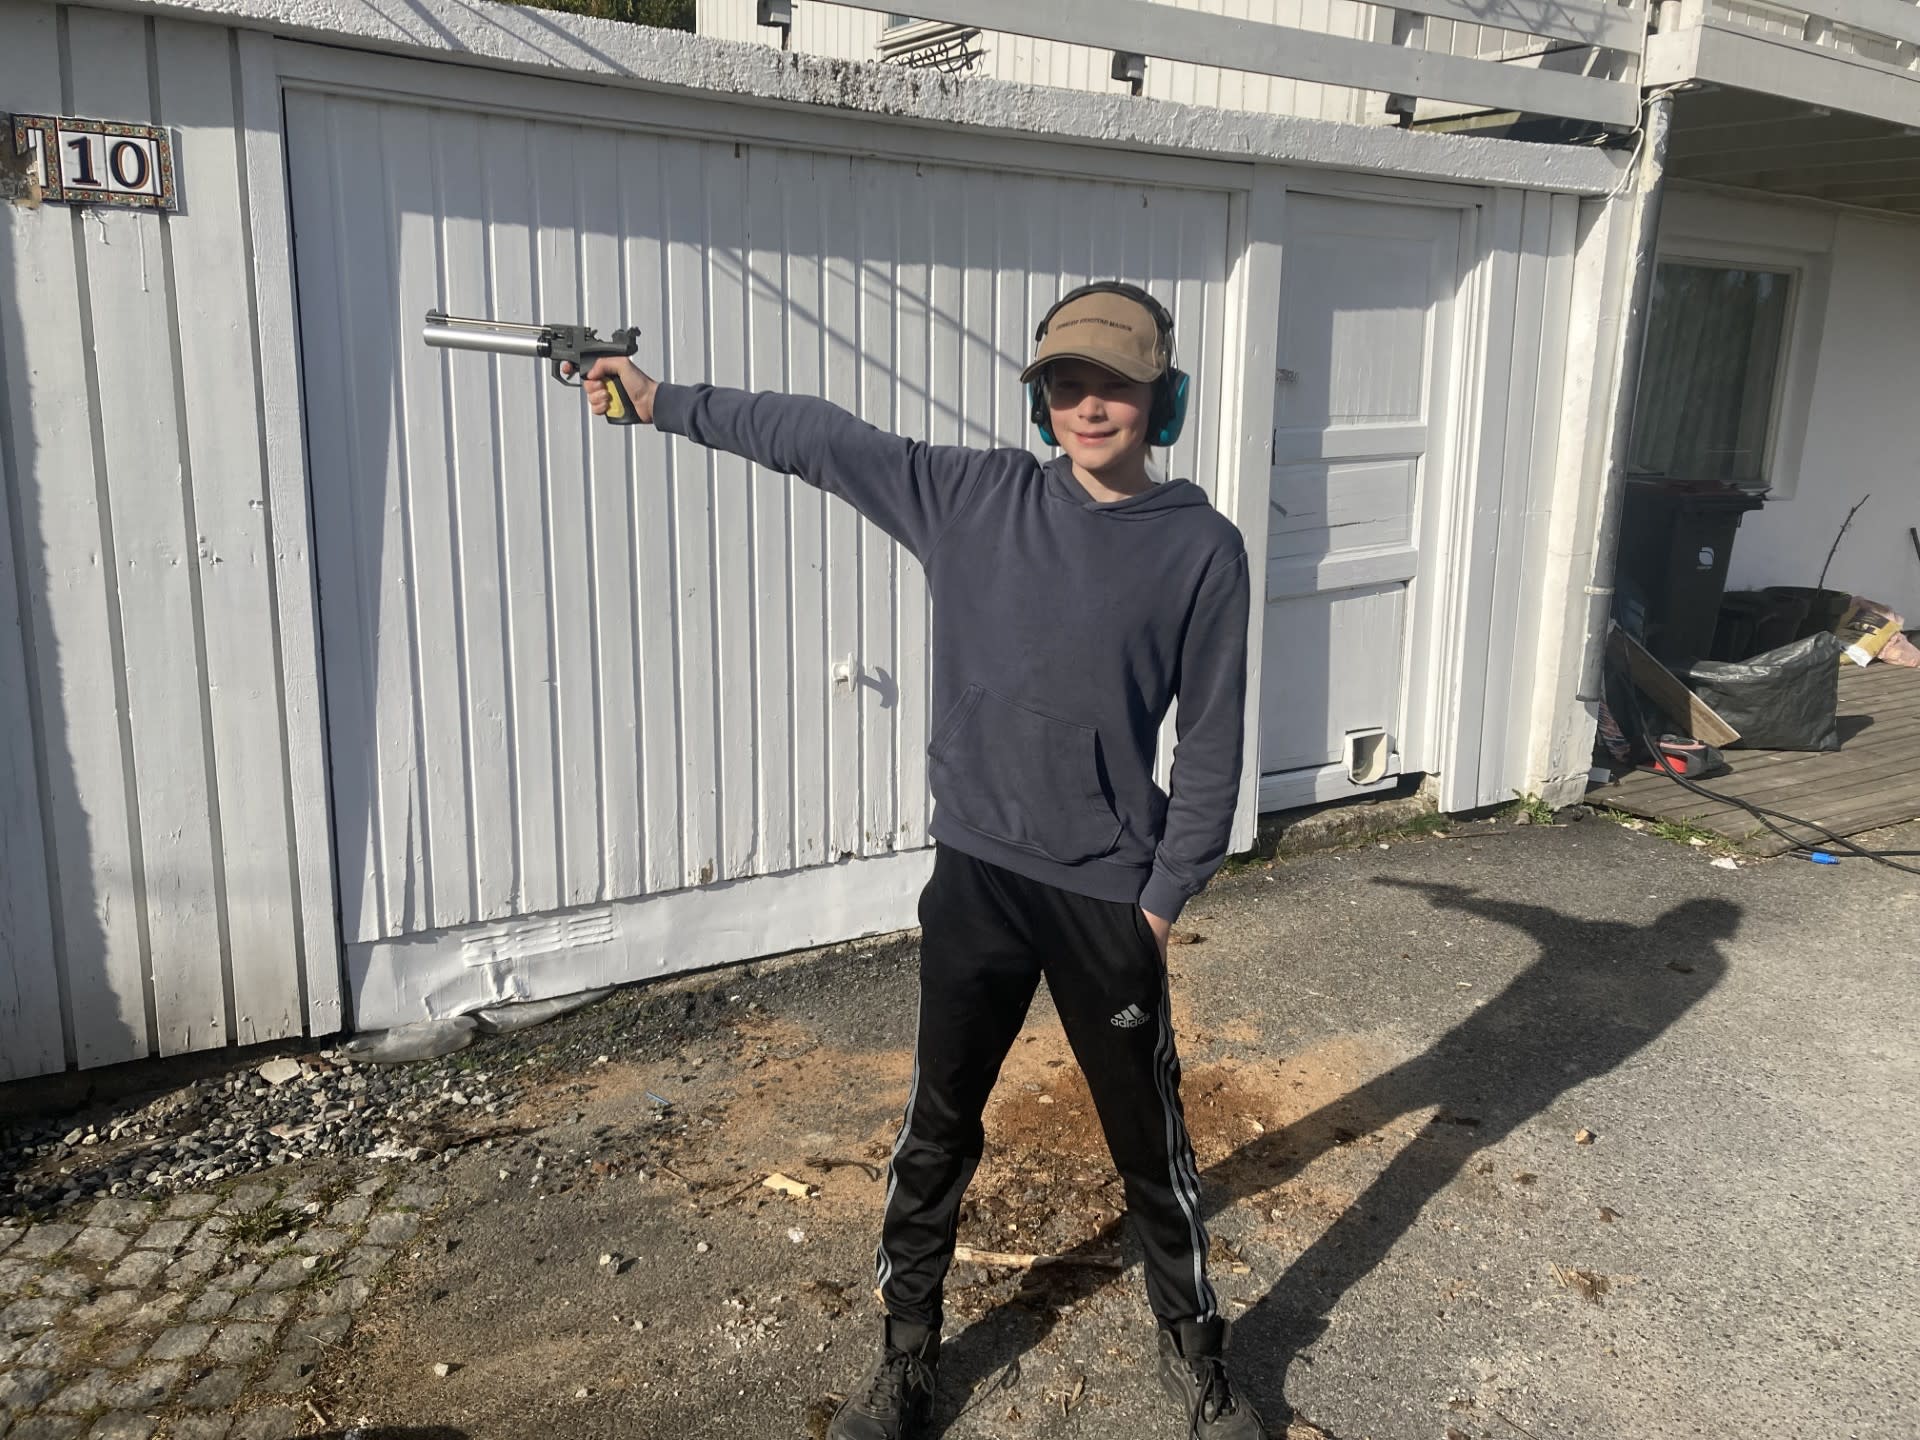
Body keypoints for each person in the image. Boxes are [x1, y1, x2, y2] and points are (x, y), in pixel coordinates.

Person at [578, 282, 1259, 1439]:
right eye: (1067, 384)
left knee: (1150, 1144)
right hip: (978, 878)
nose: (1091, 405)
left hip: (1106, 896)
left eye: (1117, 384)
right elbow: (818, 437)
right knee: (938, 1126)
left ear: (1165, 398)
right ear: (1042, 401)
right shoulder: (971, 497)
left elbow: (1214, 742)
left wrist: (1160, 901)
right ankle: (905, 1362)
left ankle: (1196, 1358)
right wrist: (660, 401)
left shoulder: (1201, 549)